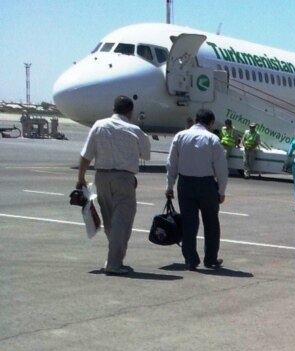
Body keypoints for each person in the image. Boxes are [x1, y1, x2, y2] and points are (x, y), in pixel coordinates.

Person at [76, 95, 151, 275]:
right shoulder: (135, 130)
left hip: (102, 176)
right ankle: (114, 264)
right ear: (130, 112)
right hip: (124, 178)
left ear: (113, 109)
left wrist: (80, 178)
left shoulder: (99, 125)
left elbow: (86, 155)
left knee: (110, 220)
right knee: (122, 222)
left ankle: (114, 258)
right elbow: (146, 155)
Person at [166, 109, 228, 270]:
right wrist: (221, 191)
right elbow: (221, 169)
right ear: (211, 123)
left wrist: (169, 186)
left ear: (195, 120)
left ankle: (191, 259)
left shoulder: (180, 136)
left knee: (189, 223)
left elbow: (171, 163)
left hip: (185, 183)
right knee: (211, 223)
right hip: (206, 184)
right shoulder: (212, 139)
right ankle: (211, 258)